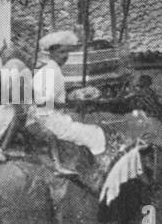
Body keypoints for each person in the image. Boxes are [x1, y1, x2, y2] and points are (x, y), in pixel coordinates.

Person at [28, 30, 108, 166]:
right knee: (95, 132)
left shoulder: (51, 69)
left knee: (84, 123)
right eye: (61, 52)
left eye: (66, 52)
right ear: (52, 53)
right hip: (48, 119)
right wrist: (71, 105)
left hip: (47, 115)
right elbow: (45, 103)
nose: (65, 56)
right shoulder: (51, 72)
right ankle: (101, 167)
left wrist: (71, 97)